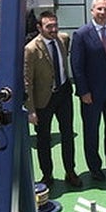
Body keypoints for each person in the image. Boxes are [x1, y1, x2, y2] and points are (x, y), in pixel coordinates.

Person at [69, 0, 106, 181]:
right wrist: (83, 91)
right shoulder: (81, 34)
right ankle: (94, 166)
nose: (103, 12)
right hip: (91, 93)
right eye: (99, 9)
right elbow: (77, 66)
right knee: (92, 130)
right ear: (92, 11)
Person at [24, 11, 81, 188]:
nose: (53, 29)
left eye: (55, 25)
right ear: (39, 27)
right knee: (43, 138)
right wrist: (31, 110)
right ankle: (47, 175)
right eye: (49, 26)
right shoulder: (31, 49)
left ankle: (70, 171)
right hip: (43, 99)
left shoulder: (63, 39)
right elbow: (27, 81)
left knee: (68, 134)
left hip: (63, 94)